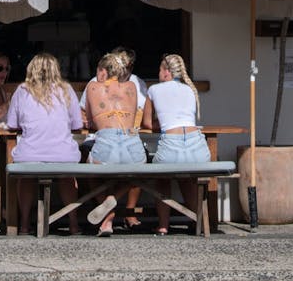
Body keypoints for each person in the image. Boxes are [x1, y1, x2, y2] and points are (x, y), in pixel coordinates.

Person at [6, 52, 83, 235]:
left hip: (29, 154)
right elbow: (78, 124)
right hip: (63, 155)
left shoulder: (22, 91)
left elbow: (11, 125)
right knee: (67, 177)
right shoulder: (66, 89)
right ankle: (73, 224)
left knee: (26, 177)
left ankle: (24, 224)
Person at [142, 53, 209, 236]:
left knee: (163, 178)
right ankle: (200, 222)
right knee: (188, 177)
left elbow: (146, 123)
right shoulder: (189, 89)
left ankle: (163, 225)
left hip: (171, 144)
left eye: (159, 69)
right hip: (198, 145)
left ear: (166, 72)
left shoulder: (154, 90)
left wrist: (162, 123)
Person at [84, 52, 147, 236]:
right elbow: (134, 115)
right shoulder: (132, 87)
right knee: (136, 173)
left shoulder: (93, 87)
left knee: (91, 174)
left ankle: (108, 206)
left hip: (106, 145)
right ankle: (111, 207)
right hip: (132, 144)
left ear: (103, 71)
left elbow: (89, 120)